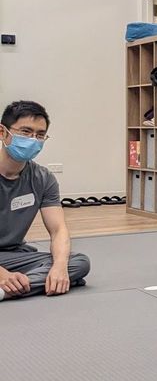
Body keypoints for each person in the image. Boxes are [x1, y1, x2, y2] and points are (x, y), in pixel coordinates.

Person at [0, 101, 90, 301]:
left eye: (40, 135)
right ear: (2, 132)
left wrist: (59, 268)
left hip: (14, 255)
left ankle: (7, 290)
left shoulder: (43, 178)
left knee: (76, 262)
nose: (33, 139)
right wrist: (3, 275)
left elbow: (58, 230)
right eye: (25, 131)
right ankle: (30, 283)